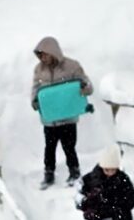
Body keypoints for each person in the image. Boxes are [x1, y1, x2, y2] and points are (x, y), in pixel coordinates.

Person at [31, 36, 93, 188]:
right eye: (40, 55)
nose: (42, 58)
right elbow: (35, 89)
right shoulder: (39, 70)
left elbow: (87, 85)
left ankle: (74, 172)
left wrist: (85, 89)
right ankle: (49, 174)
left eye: (44, 54)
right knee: (49, 148)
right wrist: (34, 101)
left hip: (68, 117)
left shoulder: (72, 66)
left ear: (53, 52)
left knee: (69, 146)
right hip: (50, 119)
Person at [78, 145, 134, 220]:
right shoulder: (90, 179)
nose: (110, 173)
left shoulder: (122, 179)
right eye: (107, 170)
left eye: (113, 170)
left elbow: (132, 199)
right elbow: (79, 198)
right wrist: (90, 201)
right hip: (98, 219)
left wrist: (117, 205)